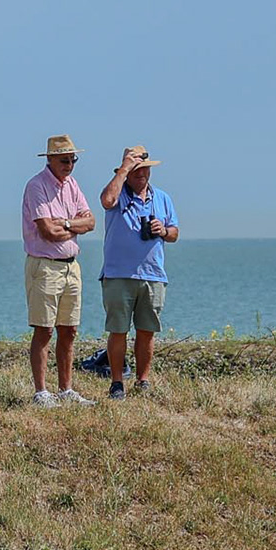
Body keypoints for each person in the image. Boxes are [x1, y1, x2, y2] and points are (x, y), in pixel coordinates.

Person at [97, 145, 179, 400]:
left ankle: (143, 380)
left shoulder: (162, 198)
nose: (140, 174)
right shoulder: (118, 193)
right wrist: (123, 170)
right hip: (118, 274)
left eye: (144, 169)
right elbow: (106, 201)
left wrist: (162, 230)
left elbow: (175, 232)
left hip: (153, 274)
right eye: (135, 170)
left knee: (147, 330)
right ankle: (117, 382)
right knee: (118, 330)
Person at [21, 135, 98, 406]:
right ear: (50, 159)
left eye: (73, 159)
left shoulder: (72, 185)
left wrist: (65, 223)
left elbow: (90, 221)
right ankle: (41, 392)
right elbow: (47, 232)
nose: (70, 164)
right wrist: (72, 226)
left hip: (70, 267)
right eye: (65, 159)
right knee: (44, 330)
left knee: (70, 329)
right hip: (45, 267)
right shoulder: (36, 186)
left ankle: (66, 390)